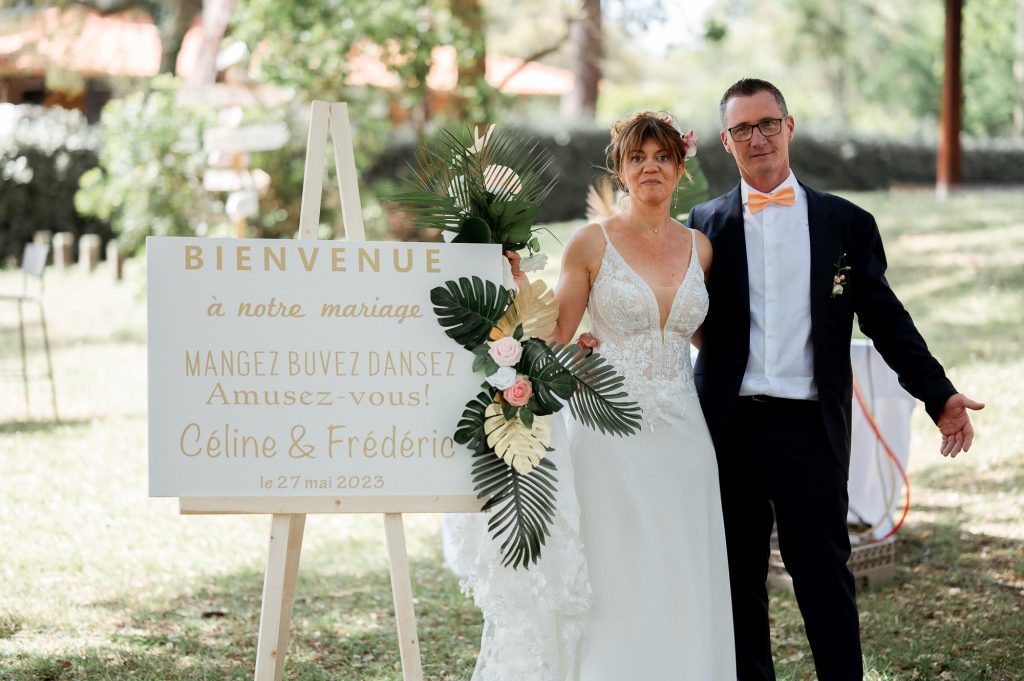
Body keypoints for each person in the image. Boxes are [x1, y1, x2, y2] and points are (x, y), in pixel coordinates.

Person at [683, 78, 986, 680]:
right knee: (737, 578)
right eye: (743, 128)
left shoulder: (845, 222)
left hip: (810, 426)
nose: (758, 137)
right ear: (725, 141)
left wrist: (940, 394)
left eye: (768, 123)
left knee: (824, 574)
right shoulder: (703, 225)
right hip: (727, 428)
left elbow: (886, 319)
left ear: (789, 128)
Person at [444, 112, 736, 680]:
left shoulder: (702, 248)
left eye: (662, 158)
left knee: (682, 566)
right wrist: (517, 284)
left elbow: (706, 337)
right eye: (637, 158)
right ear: (621, 171)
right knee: (616, 570)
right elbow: (555, 334)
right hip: (609, 434)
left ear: (680, 168)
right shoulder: (591, 242)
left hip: (684, 438)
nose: (650, 167)